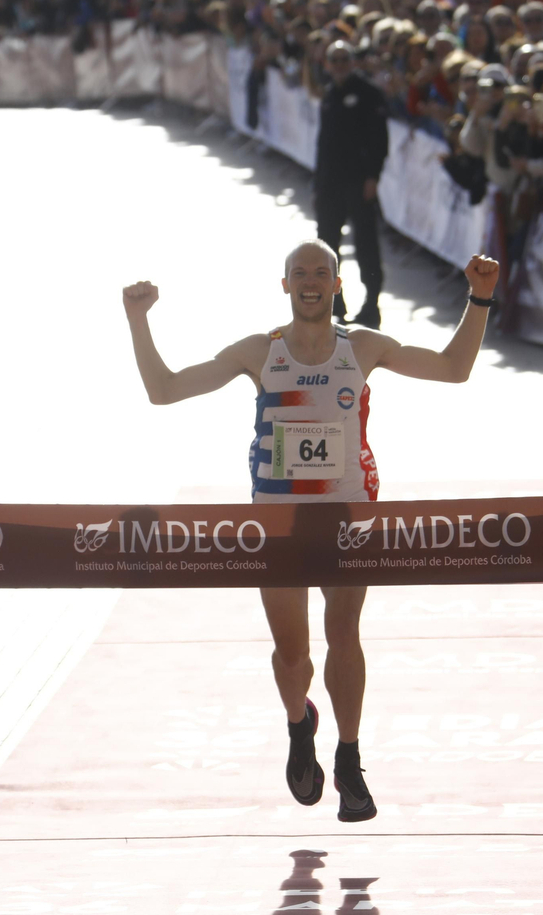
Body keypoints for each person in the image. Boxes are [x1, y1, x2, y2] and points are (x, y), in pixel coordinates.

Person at [121, 242, 501, 823]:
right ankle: (300, 725)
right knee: (292, 653)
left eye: (321, 273)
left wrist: (479, 298)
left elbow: (454, 368)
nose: (310, 281)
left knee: (344, 631)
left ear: (337, 285)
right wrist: (138, 320)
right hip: (278, 520)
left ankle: (349, 757)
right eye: (299, 273)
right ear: (285, 285)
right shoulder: (260, 351)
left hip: (347, 511)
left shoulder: (362, 346)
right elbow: (164, 389)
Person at [313, 41, 388, 327]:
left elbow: (379, 141)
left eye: (345, 59)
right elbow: (323, 143)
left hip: (359, 182)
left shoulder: (369, 94)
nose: (340, 65)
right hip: (330, 183)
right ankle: (335, 301)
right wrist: (318, 184)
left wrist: (373, 177)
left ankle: (371, 303)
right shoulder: (329, 94)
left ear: (353, 61)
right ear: (328, 64)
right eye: (335, 60)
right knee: (327, 245)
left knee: (366, 244)